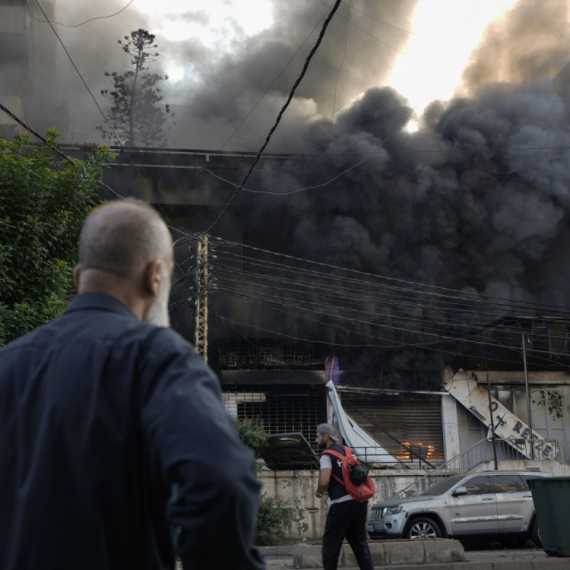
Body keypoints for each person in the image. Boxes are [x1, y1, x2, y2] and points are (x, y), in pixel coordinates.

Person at [0, 200, 265, 570]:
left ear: (78, 277)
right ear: (154, 276)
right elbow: (220, 483)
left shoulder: (8, 365)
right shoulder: (159, 359)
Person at [315, 424, 373, 570]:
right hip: (359, 502)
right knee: (360, 545)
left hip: (341, 504)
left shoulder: (327, 455)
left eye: (317, 436)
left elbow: (324, 481)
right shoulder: (348, 451)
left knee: (330, 546)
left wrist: (319, 491)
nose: (316, 440)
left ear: (325, 436)